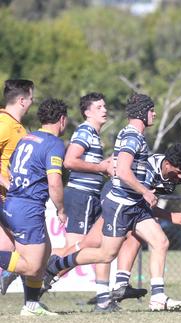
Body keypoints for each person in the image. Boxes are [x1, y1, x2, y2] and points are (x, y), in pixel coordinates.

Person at [44, 93, 181, 312]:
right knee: (105, 254)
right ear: (142, 112)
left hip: (134, 204)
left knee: (161, 241)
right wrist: (145, 191)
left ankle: (158, 298)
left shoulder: (137, 136)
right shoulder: (131, 136)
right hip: (121, 203)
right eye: (152, 110)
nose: (154, 113)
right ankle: (57, 264)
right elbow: (123, 171)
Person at [79, 143, 181, 305]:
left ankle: (126, 288)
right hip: (116, 198)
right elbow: (139, 203)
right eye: (177, 173)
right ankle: (54, 269)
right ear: (167, 164)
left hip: (134, 206)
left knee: (134, 238)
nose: (179, 178)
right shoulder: (149, 169)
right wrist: (168, 216)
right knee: (94, 245)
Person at [0, 98, 67, 316]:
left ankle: (31, 306)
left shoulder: (27, 138)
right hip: (27, 208)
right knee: (31, 266)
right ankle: (29, 303)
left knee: (45, 252)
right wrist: (61, 208)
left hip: (13, 202)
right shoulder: (54, 143)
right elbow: (54, 182)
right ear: (62, 120)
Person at [59, 92, 114, 310]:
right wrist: (101, 167)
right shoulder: (85, 131)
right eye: (99, 107)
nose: (105, 110)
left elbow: (89, 165)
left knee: (101, 246)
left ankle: (103, 300)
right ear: (87, 112)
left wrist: (104, 169)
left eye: (105, 106)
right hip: (81, 197)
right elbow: (69, 161)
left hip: (91, 197)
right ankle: (41, 277)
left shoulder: (93, 134)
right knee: (74, 249)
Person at [0, 79, 33, 294]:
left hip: (11, 199)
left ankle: (31, 302)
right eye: (31, 98)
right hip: (5, 196)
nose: (33, 102)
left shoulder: (18, 127)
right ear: (22, 100)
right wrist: (4, 182)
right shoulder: (4, 124)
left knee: (9, 249)